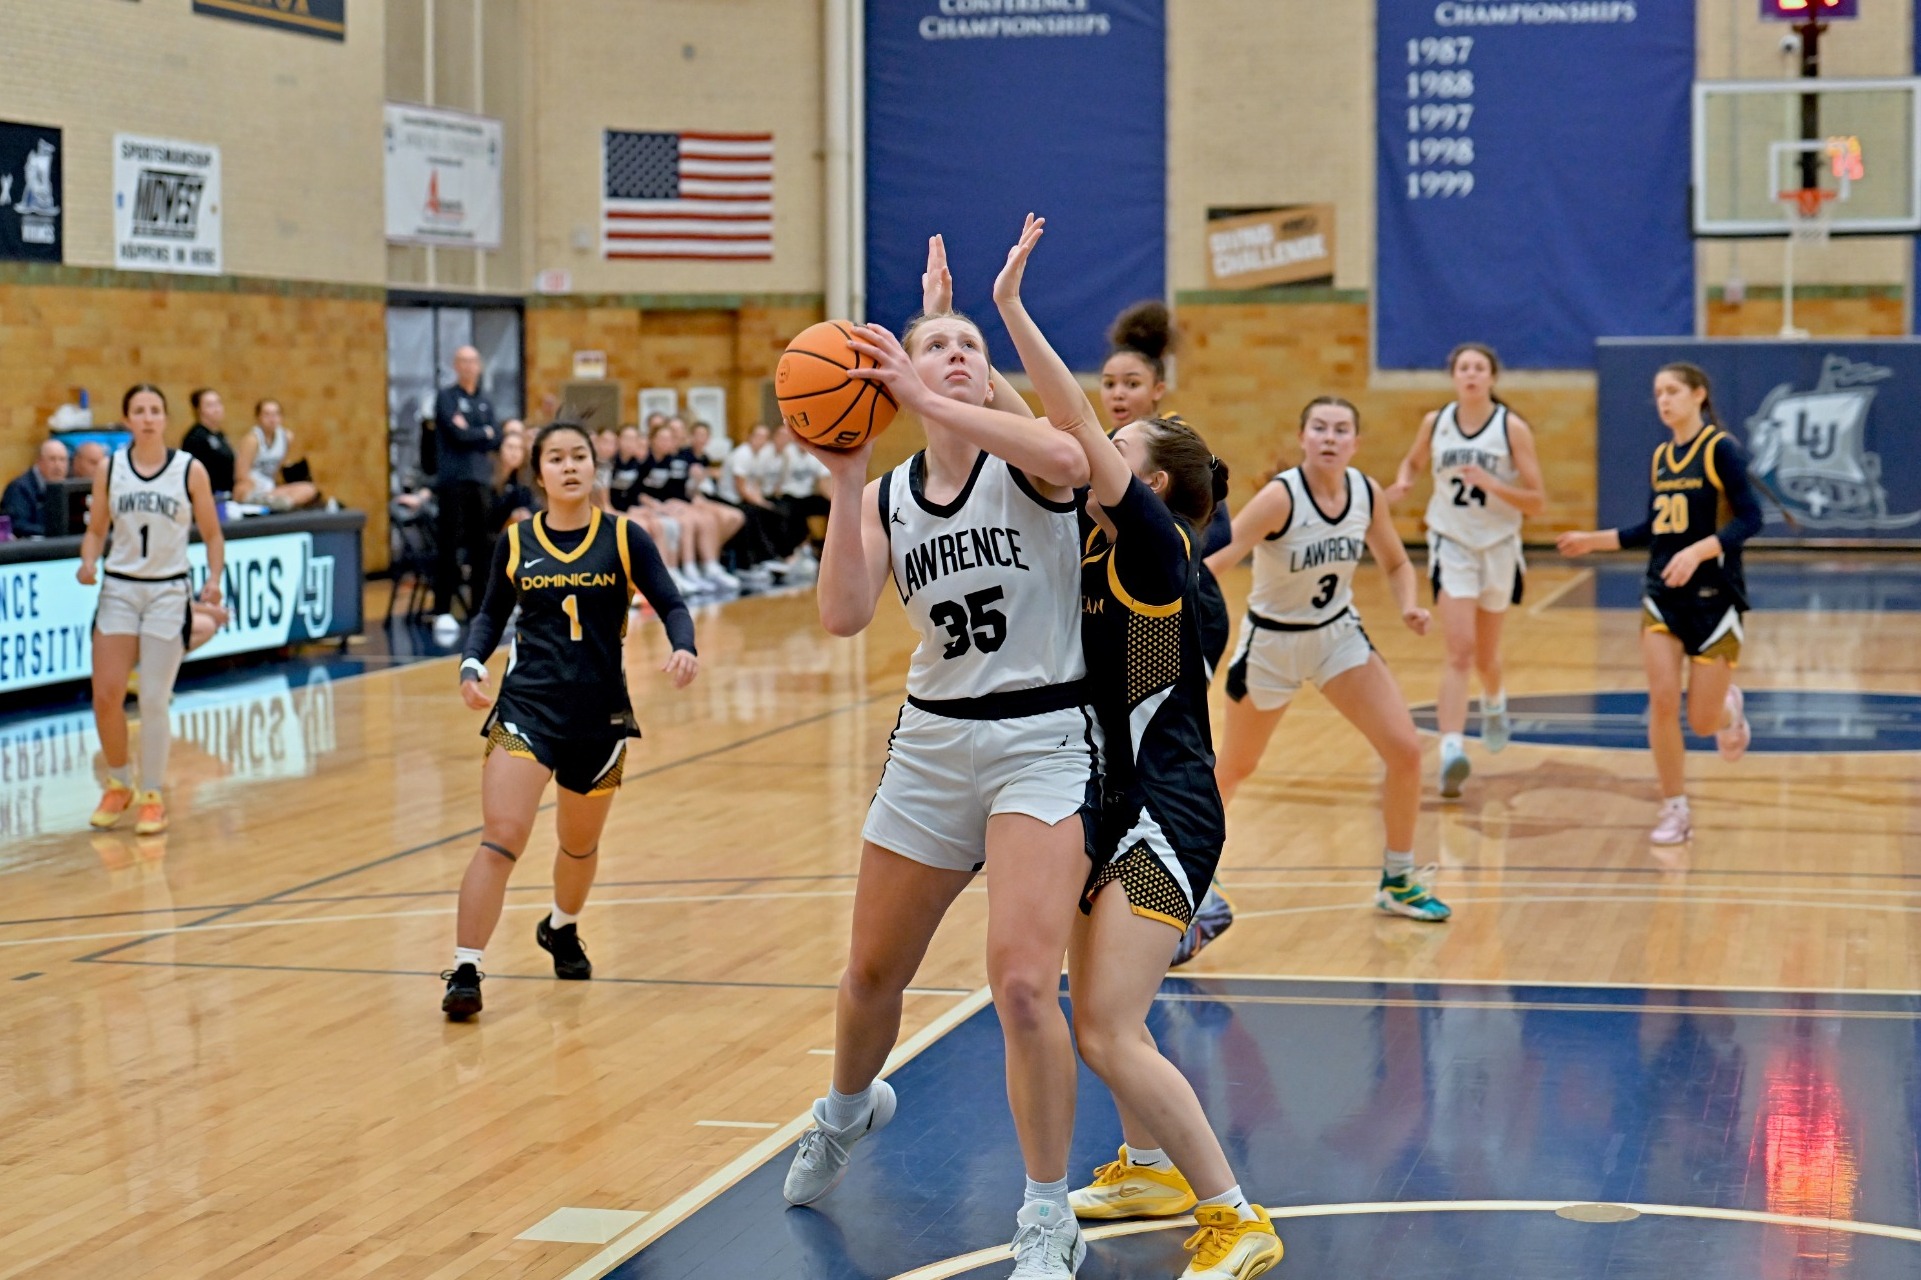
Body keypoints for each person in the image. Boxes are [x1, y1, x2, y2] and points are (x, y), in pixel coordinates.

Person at [782, 221, 1098, 1280]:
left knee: (1018, 983)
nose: (957, 350)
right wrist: (845, 473)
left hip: (1043, 739)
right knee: (871, 972)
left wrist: (945, 388)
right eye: (936, 341)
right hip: (932, 744)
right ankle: (846, 1104)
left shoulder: (1030, 462)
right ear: (897, 369)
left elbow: (1069, 449)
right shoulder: (891, 495)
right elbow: (841, 613)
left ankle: (1047, 1208)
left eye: (970, 342)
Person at [1058, 400, 1286, 1277]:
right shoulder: (1093, 543)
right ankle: (1149, 1172)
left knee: (1109, 1031)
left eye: (1116, 447)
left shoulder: (1159, 547)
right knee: (1105, 1015)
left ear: (1148, 486)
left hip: (1168, 815)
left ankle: (1235, 1215)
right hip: (1110, 803)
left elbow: (1065, 422)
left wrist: (1001, 316)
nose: (1090, 447)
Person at [441, 419, 699, 1019]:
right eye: (555, 458)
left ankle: (562, 926)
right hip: (527, 709)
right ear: (539, 474)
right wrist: (471, 662)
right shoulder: (516, 540)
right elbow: (488, 615)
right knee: (501, 837)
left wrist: (683, 644)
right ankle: (465, 968)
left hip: (600, 716)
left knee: (578, 846)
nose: (569, 466)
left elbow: (672, 602)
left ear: (593, 466)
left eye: (579, 455)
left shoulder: (626, 537)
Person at [1206, 396, 1452, 923]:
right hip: (1272, 644)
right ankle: (1192, 868)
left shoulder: (1366, 492)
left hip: (1338, 637)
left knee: (1406, 750)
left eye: (1341, 430)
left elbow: (1396, 561)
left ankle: (1399, 879)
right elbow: (1220, 557)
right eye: (1319, 427)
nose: (1330, 437)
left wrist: (1409, 603)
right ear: (1303, 437)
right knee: (1235, 766)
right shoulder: (1280, 498)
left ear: (1355, 443)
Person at [1556, 362, 1759, 845]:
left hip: (1716, 600)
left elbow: (1751, 519)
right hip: (1663, 597)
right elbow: (1651, 529)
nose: (1664, 400)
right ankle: (1674, 808)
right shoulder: (1662, 457)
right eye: (1658, 393)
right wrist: (1593, 540)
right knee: (1662, 702)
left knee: (1702, 720)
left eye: (1672, 391)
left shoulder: (1719, 449)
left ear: (1698, 395)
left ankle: (1730, 713)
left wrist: (1698, 550)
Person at [1386, 343, 1546, 799]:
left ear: (1492, 377)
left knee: (1485, 658)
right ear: (1454, 376)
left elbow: (1537, 500)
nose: (1471, 374)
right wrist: (1404, 480)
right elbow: (1415, 460)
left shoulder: (1511, 428)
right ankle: (1452, 748)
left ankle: (1495, 702)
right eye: (1463, 367)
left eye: (1479, 368)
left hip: (1497, 545)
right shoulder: (1435, 423)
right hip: (1451, 541)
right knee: (1459, 650)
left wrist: (1494, 483)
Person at [80, 384, 225, 837]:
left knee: (154, 698)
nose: (147, 418)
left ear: (165, 418)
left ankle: (152, 793)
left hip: (167, 592)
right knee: (106, 693)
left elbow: (213, 534)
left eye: (155, 410)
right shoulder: (111, 468)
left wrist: (214, 579)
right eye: (139, 411)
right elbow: (96, 529)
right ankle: (119, 782)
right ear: (126, 419)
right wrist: (88, 560)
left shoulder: (189, 470)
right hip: (120, 589)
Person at [431, 345, 502, 629]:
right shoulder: (446, 398)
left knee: (482, 546)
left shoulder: (486, 400)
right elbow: (457, 434)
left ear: (479, 365)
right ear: (455, 365)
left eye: (473, 361)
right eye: (463, 361)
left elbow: (496, 437)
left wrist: (479, 432)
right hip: (453, 481)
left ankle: (479, 610)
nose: (469, 366)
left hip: (480, 480)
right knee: (449, 543)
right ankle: (442, 610)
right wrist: (480, 432)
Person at [639, 422, 739, 592]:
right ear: (652, 440)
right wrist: (659, 506)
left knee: (706, 519)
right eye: (664, 437)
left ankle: (703, 567)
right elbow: (639, 491)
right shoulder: (645, 460)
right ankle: (679, 571)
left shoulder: (669, 460)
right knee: (680, 523)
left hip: (668, 504)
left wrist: (696, 483)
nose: (669, 441)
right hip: (650, 507)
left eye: (671, 437)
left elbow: (678, 491)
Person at [235, 399, 321, 511]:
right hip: (253, 487)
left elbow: (278, 469)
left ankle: (280, 503)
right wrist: (255, 488)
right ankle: (261, 502)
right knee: (241, 488)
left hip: (270, 489)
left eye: (276, 414)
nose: (272, 419)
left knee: (308, 489)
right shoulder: (252, 440)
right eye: (267, 414)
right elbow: (241, 474)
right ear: (258, 417)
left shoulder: (287, 437)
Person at [2, 438, 69, 538]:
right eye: (52, 459)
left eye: (62, 460)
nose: (58, 465)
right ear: (39, 461)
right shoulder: (19, 488)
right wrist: (53, 532)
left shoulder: (69, 486)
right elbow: (17, 525)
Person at [181, 388, 237, 497]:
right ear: (198, 410)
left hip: (226, 495)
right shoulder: (195, 437)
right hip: (208, 497)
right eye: (210, 405)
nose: (217, 409)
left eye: (218, 403)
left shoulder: (219, 434)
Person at [489, 429, 534, 530]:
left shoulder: (521, 482)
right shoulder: (487, 474)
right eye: (510, 447)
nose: (514, 452)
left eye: (519, 448)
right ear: (500, 449)